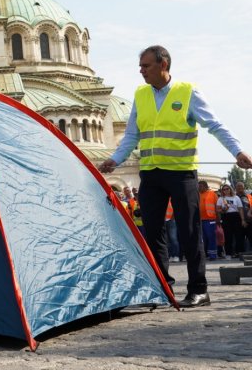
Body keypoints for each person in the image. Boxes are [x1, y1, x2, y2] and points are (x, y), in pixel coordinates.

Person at [100, 45, 252, 308]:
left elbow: (215, 125)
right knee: (154, 233)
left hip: (181, 174)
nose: (141, 71)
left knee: (189, 231)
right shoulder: (141, 94)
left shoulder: (187, 92)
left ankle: (199, 290)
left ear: (163, 65)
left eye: (146, 66)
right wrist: (116, 159)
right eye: (141, 66)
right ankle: (161, 288)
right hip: (150, 174)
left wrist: (237, 151)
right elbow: (133, 135)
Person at [217, 183, 245, 257]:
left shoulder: (236, 197)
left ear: (230, 189)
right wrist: (223, 209)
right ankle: (229, 253)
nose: (226, 190)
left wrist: (242, 219)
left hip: (236, 216)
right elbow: (218, 210)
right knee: (228, 236)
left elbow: (240, 209)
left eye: (227, 189)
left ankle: (239, 252)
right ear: (222, 191)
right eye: (224, 189)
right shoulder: (221, 198)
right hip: (226, 216)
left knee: (238, 235)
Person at [199, 181, 219, 260]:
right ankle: (203, 255)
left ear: (205, 186)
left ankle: (213, 255)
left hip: (210, 219)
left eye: (200, 186)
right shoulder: (197, 194)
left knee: (211, 237)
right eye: (198, 186)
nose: (199, 188)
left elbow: (217, 207)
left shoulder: (212, 194)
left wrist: (218, 219)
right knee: (202, 239)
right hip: (200, 220)